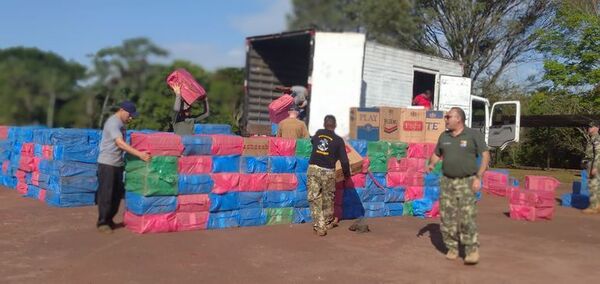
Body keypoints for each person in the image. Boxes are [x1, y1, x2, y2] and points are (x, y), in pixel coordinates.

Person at [426, 107, 489, 265]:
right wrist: (431, 164)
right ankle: (452, 247)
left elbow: (485, 155)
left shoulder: (473, 135)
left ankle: (471, 250)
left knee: (467, 218)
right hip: (447, 182)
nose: (446, 119)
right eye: (446, 116)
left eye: (448, 116)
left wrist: (478, 177)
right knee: (447, 218)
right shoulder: (444, 136)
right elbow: (437, 154)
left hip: (467, 181)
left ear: (458, 119)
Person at [96, 101, 151, 234]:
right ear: (122, 110)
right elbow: (120, 143)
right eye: (130, 115)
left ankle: (109, 219)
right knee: (107, 194)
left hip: (117, 163)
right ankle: (102, 222)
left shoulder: (121, 124)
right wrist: (139, 155)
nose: (131, 118)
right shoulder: (113, 123)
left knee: (116, 194)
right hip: (107, 164)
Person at [307, 115, 350, 236]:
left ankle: (320, 225)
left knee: (314, 198)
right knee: (328, 197)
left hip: (314, 169)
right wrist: (347, 175)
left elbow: (313, 141)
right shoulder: (338, 140)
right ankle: (326, 222)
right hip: (328, 171)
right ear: (335, 126)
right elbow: (345, 161)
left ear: (324, 124)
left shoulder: (318, 133)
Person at [582, 121, 600, 214]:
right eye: (589, 127)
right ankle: (597, 206)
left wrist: (595, 167)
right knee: (596, 186)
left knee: (593, 185)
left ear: (597, 127)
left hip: (594, 163)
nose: (589, 128)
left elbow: (598, 153)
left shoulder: (596, 138)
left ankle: (593, 207)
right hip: (592, 163)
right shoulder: (592, 138)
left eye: (591, 127)